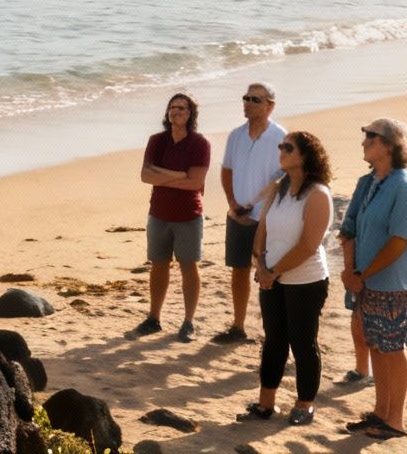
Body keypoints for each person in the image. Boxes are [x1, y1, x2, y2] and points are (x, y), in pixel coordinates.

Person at [236, 131, 333, 426]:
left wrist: (274, 271)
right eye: (281, 146)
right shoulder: (279, 187)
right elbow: (262, 226)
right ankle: (266, 404)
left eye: (288, 147)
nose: (281, 150)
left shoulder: (318, 194)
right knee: (273, 340)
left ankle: (305, 404)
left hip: (306, 280)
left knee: (303, 343)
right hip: (272, 277)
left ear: (306, 156)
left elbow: (308, 244)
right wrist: (261, 263)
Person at [339, 118, 407, 440]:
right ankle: (380, 412)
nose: (364, 142)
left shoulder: (403, 186)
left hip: (390, 282)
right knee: (374, 344)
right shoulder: (368, 182)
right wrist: (350, 272)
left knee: (392, 348)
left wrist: (362, 273)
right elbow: (349, 229)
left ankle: (395, 420)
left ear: (390, 145)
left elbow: (401, 240)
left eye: (370, 137)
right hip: (363, 281)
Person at [133, 92, 210, 341]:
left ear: (190, 114)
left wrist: (164, 175)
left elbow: (195, 183)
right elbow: (145, 176)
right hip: (159, 214)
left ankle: (188, 322)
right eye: (172, 108)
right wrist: (179, 175)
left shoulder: (199, 144)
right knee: (158, 264)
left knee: (189, 265)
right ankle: (154, 318)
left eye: (182, 108)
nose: (176, 111)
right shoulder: (157, 141)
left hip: (188, 215)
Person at [217, 82, 286, 344]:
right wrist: (233, 204)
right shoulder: (236, 135)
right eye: (246, 98)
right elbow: (227, 171)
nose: (247, 103)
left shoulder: (281, 137)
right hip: (237, 215)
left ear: (270, 105)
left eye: (255, 99)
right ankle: (238, 326)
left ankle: (273, 332)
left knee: (268, 273)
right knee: (238, 270)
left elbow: (283, 179)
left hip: (267, 219)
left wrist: (263, 212)